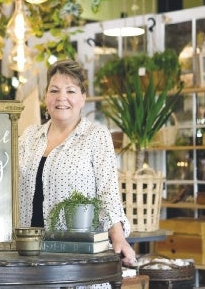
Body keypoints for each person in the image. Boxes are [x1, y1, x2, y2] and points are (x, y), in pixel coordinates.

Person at [18, 59, 137, 269]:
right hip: (29, 258)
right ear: (46, 96)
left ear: (83, 98)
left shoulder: (96, 136)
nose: (61, 97)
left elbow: (107, 192)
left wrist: (118, 237)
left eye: (71, 91)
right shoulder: (29, 137)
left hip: (75, 258)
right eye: (54, 90)